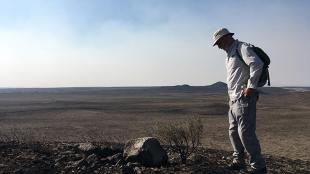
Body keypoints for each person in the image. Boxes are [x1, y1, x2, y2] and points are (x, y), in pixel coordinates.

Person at [212, 28, 267, 174]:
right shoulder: (229, 55)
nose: (218, 46)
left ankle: (258, 167)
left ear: (226, 38)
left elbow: (257, 64)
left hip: (244, 98)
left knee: (245, 133)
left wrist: (251, 87)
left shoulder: (242, 47)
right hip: (233, 99)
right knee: (233, 132)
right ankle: (239, 161)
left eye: (219, 42)